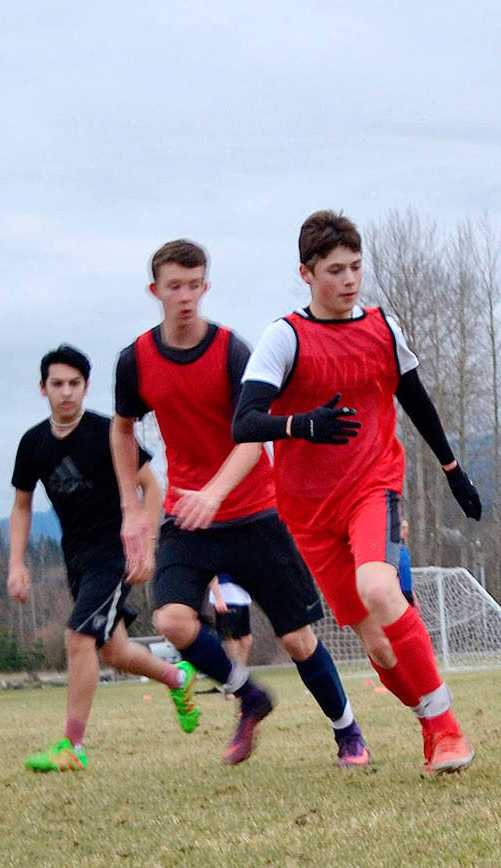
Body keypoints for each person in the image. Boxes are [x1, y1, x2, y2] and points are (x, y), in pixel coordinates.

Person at [233, 210, 483, 777]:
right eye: (335, 271)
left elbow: (415, 399)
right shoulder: (286, 337)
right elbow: (244, 423)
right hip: (308, 514)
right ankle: (430, 726)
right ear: (306, 274)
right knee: (377, 645)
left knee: (379, 585)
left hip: (373, 486)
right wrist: (302, 426)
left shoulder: (383, 329)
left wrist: (452, 468)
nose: (349, 281)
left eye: (356, 268)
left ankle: (448, 731)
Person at [112, 239, 367, 767]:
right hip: (189, 518)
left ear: (206, 286)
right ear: (154, 290)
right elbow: (121, 429)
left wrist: (216, 492)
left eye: (194, 284)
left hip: (254, 512)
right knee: (173, 621)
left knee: (298, 638)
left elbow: (254, 437)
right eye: (174, 286)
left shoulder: (232, 352)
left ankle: (348, 732)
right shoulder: (135, 360)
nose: (185, 296)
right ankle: (249, 696)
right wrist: (132, 506)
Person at [9, 345, 198, 771]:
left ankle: (72, 747)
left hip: (115, 553)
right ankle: (176, 677)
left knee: (78, 638)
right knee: (113, 651)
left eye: (75, 384)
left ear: (86, 387)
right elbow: (22, 506)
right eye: (57, 384)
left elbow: (152, 487)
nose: (66, 392)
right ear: (43, 388)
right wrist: (16, 564)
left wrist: (145, 545)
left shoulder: (107, 433)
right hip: (76, 558)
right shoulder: (33, 443)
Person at [208, 574, 254, 664]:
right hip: (226, 597)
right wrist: (218, 597)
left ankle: (241, 670)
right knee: (231, 637)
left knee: (246, 639)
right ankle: (234, 670)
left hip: (242, 597)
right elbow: (212, 574)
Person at [397, 516, 416, 608]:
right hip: (397, 593)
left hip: (407, 592)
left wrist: (413, 596)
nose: (405, 531)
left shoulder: (404, 549)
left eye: (406, 528)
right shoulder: (391, 550)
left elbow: (406, 574)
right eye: (403, 528)